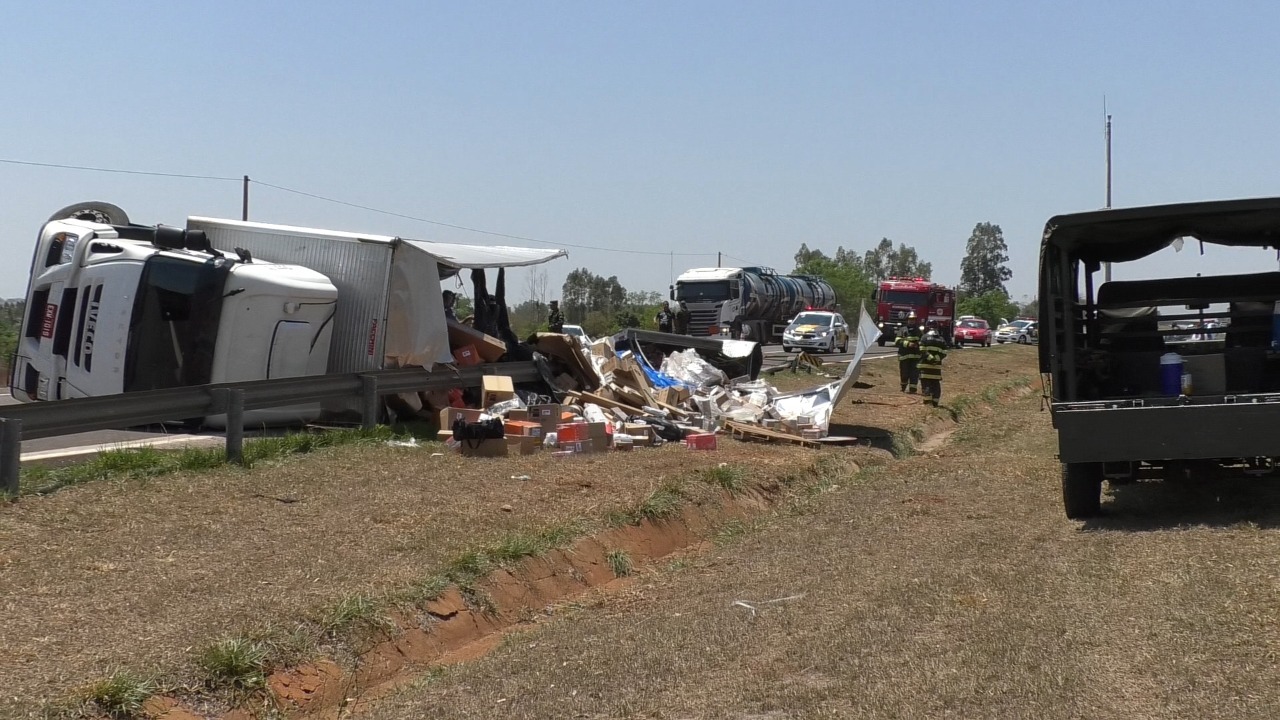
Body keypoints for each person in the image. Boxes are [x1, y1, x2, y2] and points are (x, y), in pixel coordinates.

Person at [918, 329, 948, 406]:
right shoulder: (941, 339)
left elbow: (922, 350)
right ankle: (935, 402)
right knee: (935, 384)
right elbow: (944, 352)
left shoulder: (924, 337)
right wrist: (936, 358)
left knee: (926, 384)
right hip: (936, 367)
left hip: (925, 366)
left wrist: (930, 357)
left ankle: (927, 403)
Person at [895, 324, 922, 393]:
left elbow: (922, 341)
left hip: (915, 357)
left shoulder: (918, 330)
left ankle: (913, 389)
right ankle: (903, 387)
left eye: (913, 319)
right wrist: (907, 344)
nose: (912, 321)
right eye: (910, 319)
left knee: (914, 374)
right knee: (904, 373)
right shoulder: (902, 330)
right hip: (904, 356)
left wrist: (917, 345)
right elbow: (897, 341)